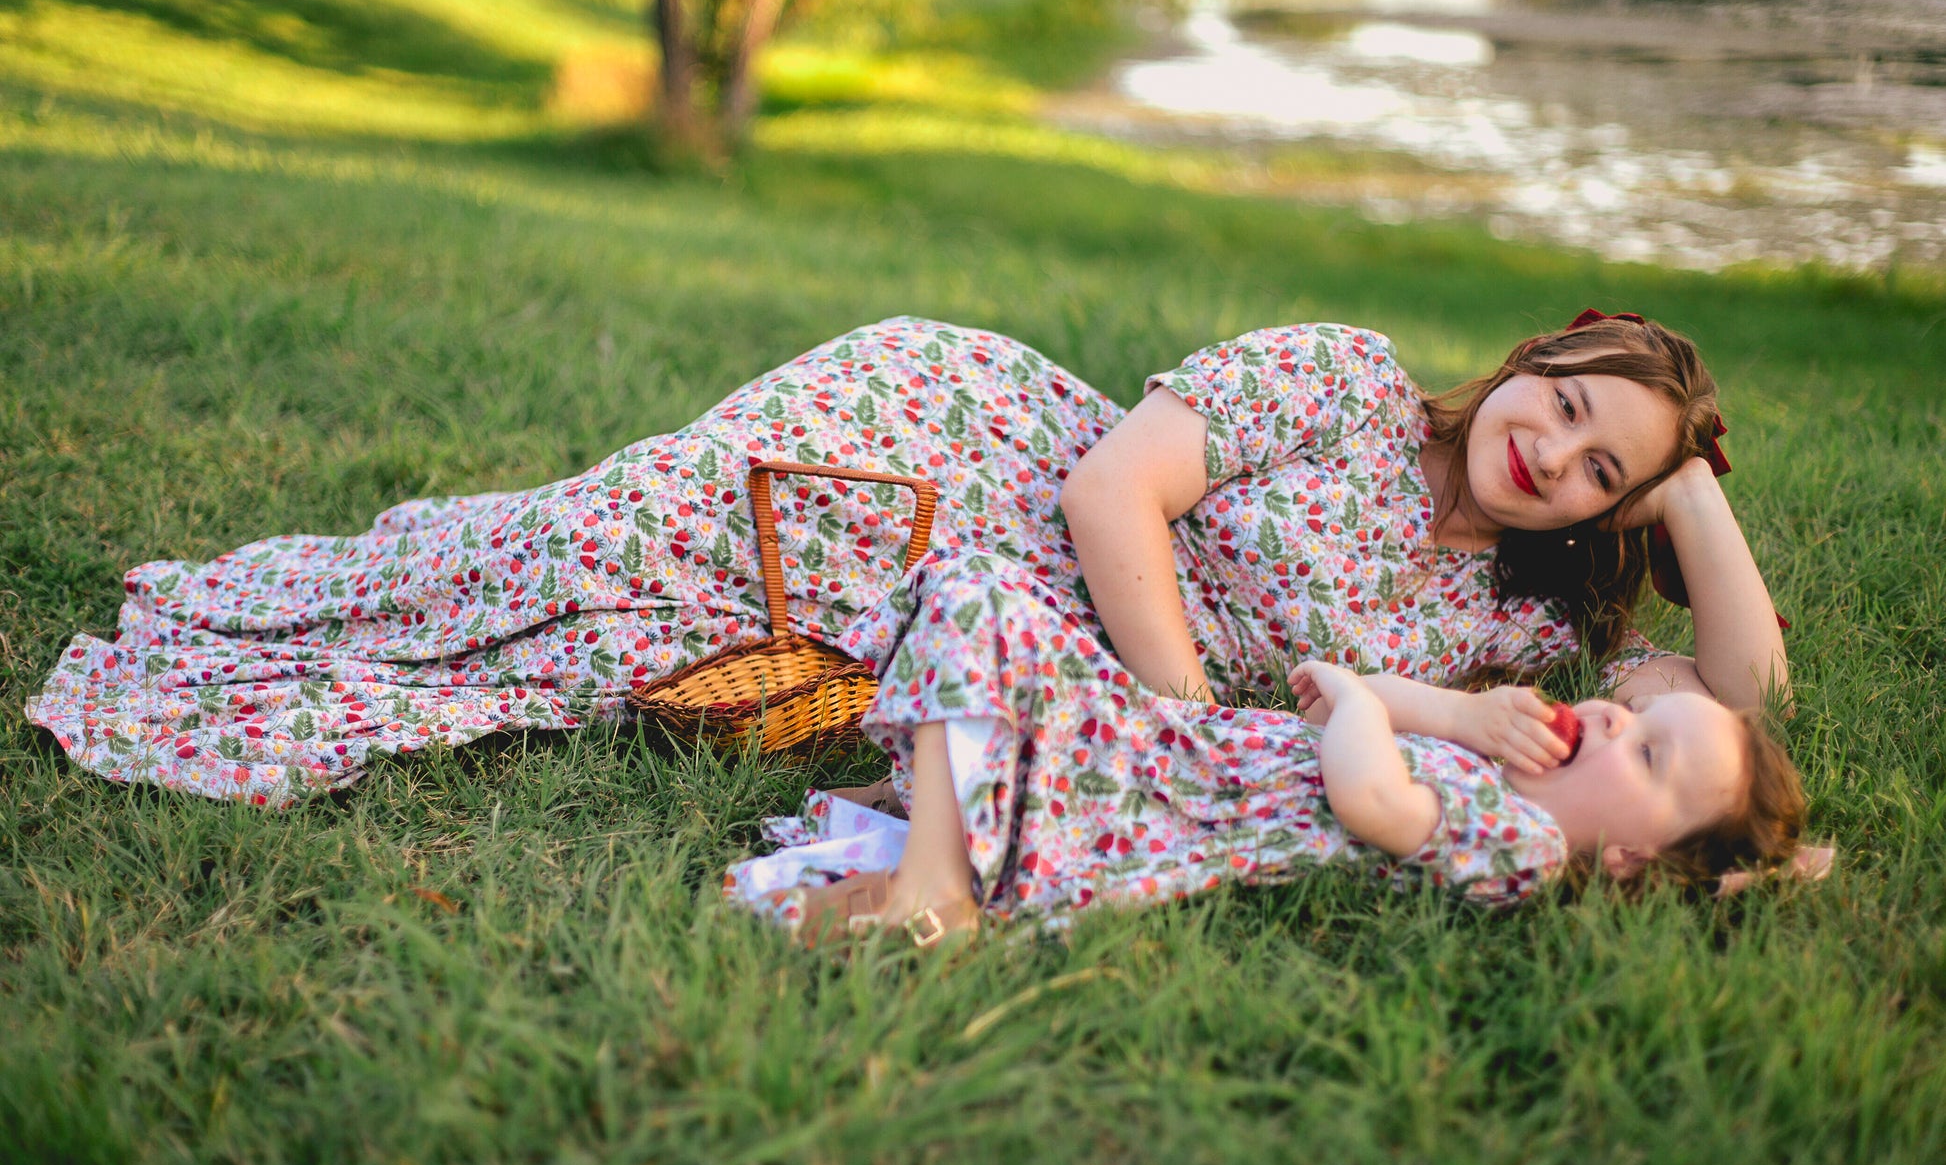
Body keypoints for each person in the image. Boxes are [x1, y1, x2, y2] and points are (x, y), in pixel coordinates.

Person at [26, 311, 1784, 806]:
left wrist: (1692, 481)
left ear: (1600, 517)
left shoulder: (1505, 624)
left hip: (1022, 614)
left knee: (622, 654)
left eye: (1595, 469)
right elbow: (1113, 501)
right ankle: (254, 608)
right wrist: (1177, 725)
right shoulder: (1339, 382)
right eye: (1563, 401)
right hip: (969, 449)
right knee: (613, 538)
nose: (1547, 448)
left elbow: (1739, 693)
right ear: (1531, 362)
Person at [724, 556, 1806, 945]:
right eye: (1640, 714)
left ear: (1622, 859)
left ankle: (933, 888)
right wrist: (1410, 703)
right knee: (975, 590)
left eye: (1650, 757)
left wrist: (1357, 709)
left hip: (1161, 788)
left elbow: (1372, 798)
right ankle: (932, 857)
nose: (1617, 720)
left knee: (979, 600)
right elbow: (1381, 715)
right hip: (1165, 752)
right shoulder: (1499, 771)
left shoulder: (1518, 837)